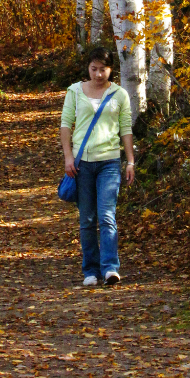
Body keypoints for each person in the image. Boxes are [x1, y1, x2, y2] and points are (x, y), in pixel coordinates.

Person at [60, 46, 134, 287]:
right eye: (94, 69)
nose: (99, 74)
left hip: (109, 162)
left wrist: (130, 161)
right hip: (81, 165)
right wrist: (68, 157)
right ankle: (90, 271)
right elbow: (65, 125)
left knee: (107, 216)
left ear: (111, 69)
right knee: (87, 220)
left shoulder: (119, 94)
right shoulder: (74, 91)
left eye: (103, 69)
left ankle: (111, 268)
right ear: (87, 68)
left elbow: (126, 129)